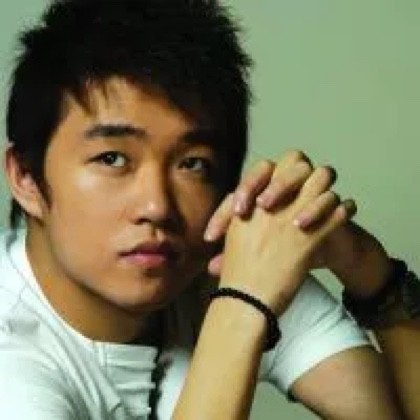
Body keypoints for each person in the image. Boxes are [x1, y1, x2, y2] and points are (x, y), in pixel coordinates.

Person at [0, 0, 414, 418]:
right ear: (26, 178)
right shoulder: (10, 355)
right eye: (112, 159)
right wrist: (243, 306)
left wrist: (368, 269)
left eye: (192, 164)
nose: (157, 206)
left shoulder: (217, 270)